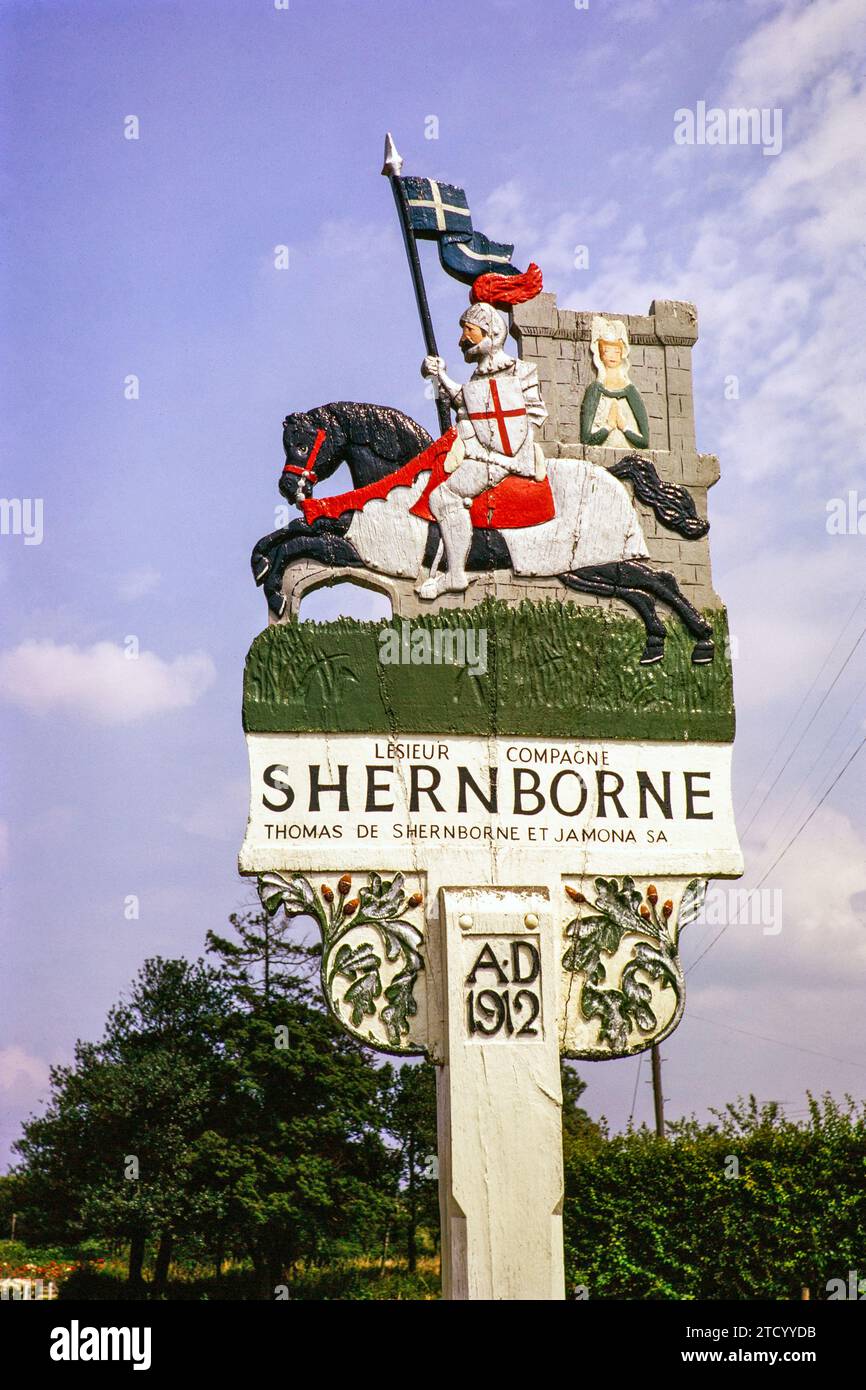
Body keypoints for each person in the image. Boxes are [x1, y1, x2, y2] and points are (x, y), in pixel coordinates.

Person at [417, 300, 548, 599]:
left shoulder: (520, 371)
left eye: (469, 331)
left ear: (489, 332)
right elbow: (465, 401)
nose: (463, 339)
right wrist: (439, 373)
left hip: (505, 457)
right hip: (479, 451)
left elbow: (532, 414)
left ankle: (455, 575)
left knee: (444, 496)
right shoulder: (477, 378)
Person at [580, 316, 649, 450]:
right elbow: (586, 439)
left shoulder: (630, 391)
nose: (612, 356)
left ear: (622, 354)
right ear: (600, 354)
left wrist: (625, 427)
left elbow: (644, 442)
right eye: (607, 351)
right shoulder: (595, 390)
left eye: (616, 351)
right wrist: (608, 426)